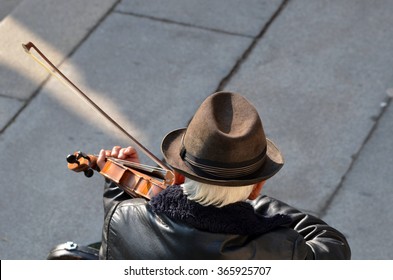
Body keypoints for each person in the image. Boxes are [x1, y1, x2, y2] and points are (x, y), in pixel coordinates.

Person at [95, 91, 351, 260]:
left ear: (179, 175)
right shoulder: (281, 248)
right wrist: (257, 206)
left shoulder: (122, 217)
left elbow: (118, 239)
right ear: (256, 188)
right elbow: (333, 244)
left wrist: (116, 181)